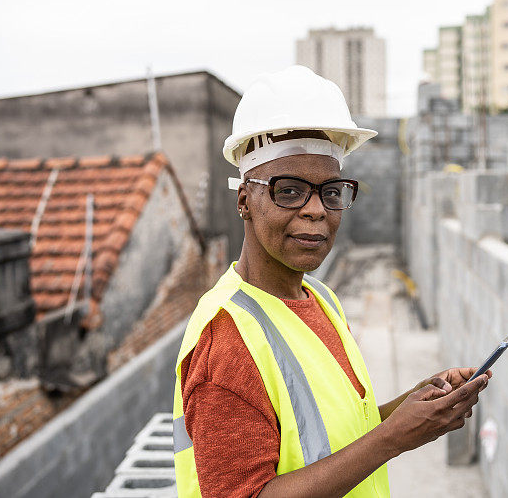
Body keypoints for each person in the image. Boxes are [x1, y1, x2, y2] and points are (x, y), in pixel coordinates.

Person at [172, 65, 491, 498]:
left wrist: (413, 408)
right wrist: (393, 438)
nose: (316, 210)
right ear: (245, 199)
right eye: (288, 190)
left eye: (332, 191)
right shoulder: (228, 341)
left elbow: (332, 436)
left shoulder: (318, 298)